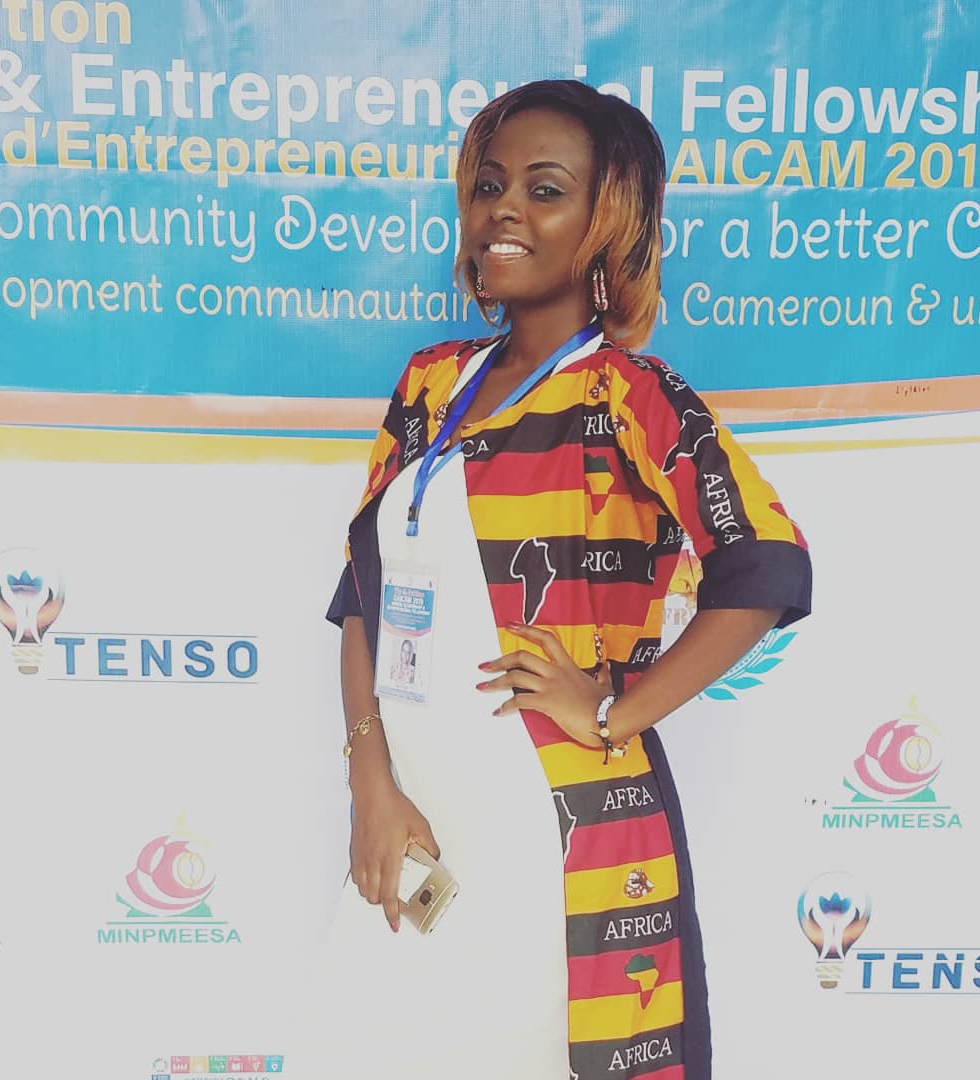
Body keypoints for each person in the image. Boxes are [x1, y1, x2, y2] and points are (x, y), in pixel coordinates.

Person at [318, 80, 811, 1080]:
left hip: (551, 816)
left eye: (544, 190)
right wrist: (369, 777)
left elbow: (765, 564)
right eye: (489, 185)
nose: (504, 209)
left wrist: (618, 711)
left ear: (607, 222)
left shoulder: (631, 394)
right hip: (413, 810)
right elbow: (360, 595)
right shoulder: (429, 384)